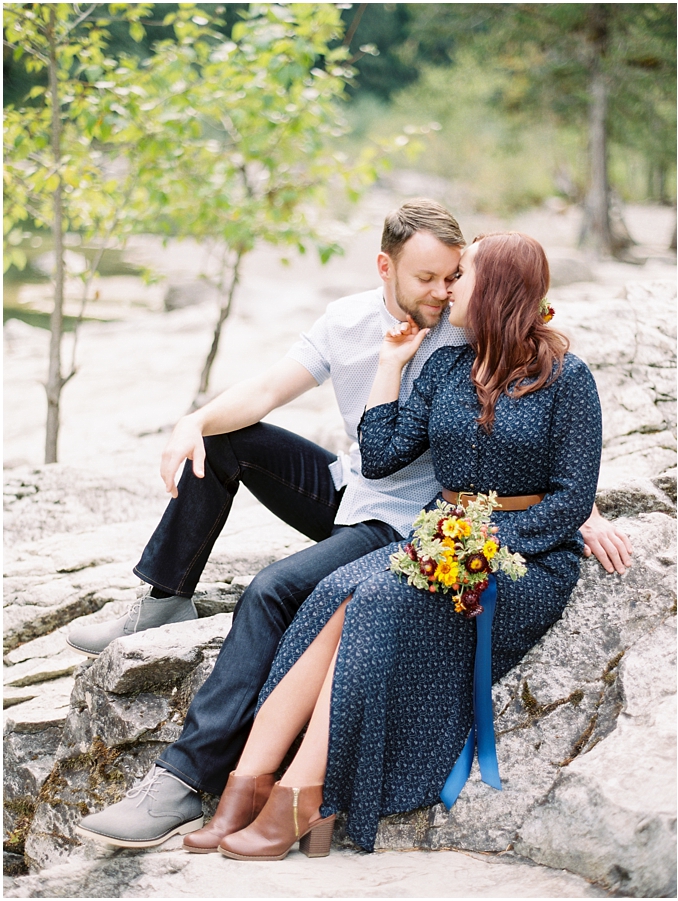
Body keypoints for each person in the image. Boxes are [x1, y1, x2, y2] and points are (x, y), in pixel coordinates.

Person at [75, 204, 629, 851]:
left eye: (455, 276)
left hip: (421, 529)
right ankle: (167, 602)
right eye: (429, 277)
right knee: (226, 442)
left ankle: (216, 784)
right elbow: (310, 415)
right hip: (364, 497)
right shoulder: (367, 327)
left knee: (280, 590)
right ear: (385, 267)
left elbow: (541, 451)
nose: (444, 290)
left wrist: (575, 513)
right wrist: (192, 419)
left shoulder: (480, 342)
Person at [210, 232, 604, 860]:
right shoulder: (447, 367)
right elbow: (382, 454)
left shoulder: (566, 378)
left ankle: (302, 796)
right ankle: (247, 785)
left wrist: (481, 547)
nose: (449, 289)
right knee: (336, 592)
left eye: (461, 275)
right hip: (441, 539)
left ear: (496, 289)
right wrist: (391, 365)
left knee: (376, 603)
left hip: (524, 560)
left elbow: (571, 497)